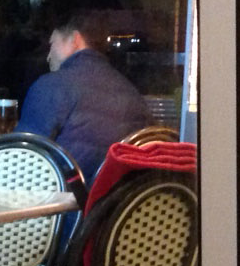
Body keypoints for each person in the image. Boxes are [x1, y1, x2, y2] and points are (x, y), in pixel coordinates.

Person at [17, 10, 150, 182]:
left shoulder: (52, 86)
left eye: (52, 44)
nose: (48, 56)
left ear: (74, 40)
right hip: (118, 197)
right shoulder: (130, 91)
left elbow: (21, 158)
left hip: (67, 195)